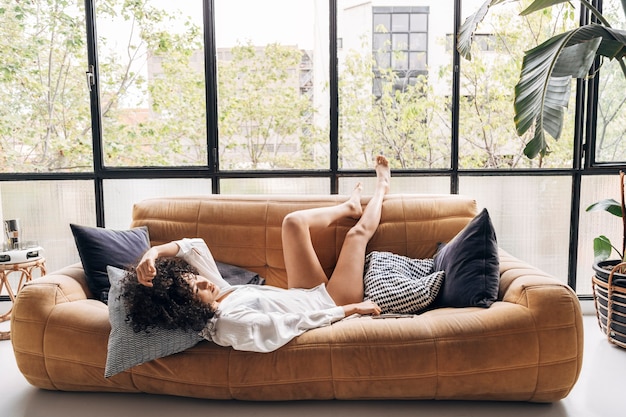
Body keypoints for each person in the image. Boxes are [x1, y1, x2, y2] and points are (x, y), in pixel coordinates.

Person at [122, 155, 391, 353]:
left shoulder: (216, 296)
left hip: (304, 293)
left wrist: (153, 253)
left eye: (193, 278)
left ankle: (349, 207)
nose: (203, 281)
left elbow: (194, 246)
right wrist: (349, 309)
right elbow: (286, 323)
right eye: (196, 290)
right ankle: (383, 187)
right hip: (330, 303)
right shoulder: (228, 322)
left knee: (293, 223)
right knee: (355, 236)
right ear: (188, 307)